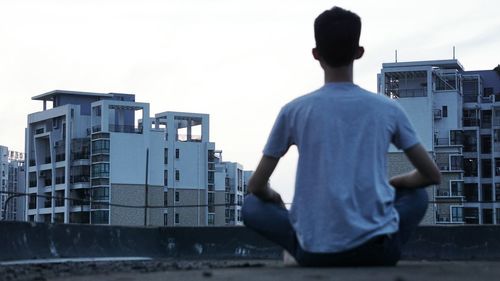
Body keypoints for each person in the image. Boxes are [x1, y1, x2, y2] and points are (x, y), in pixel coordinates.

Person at [241, 6, 441, 267]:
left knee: (251, 207)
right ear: (359, 52)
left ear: (316, 54)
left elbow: (255, 186)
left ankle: (296, 249)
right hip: (378, 252)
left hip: (315, 254)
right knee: (417, 196)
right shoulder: (387, 109)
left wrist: (275, 199)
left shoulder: (294, 111)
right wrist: (394, 183)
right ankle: (379, 247)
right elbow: (431, 175)